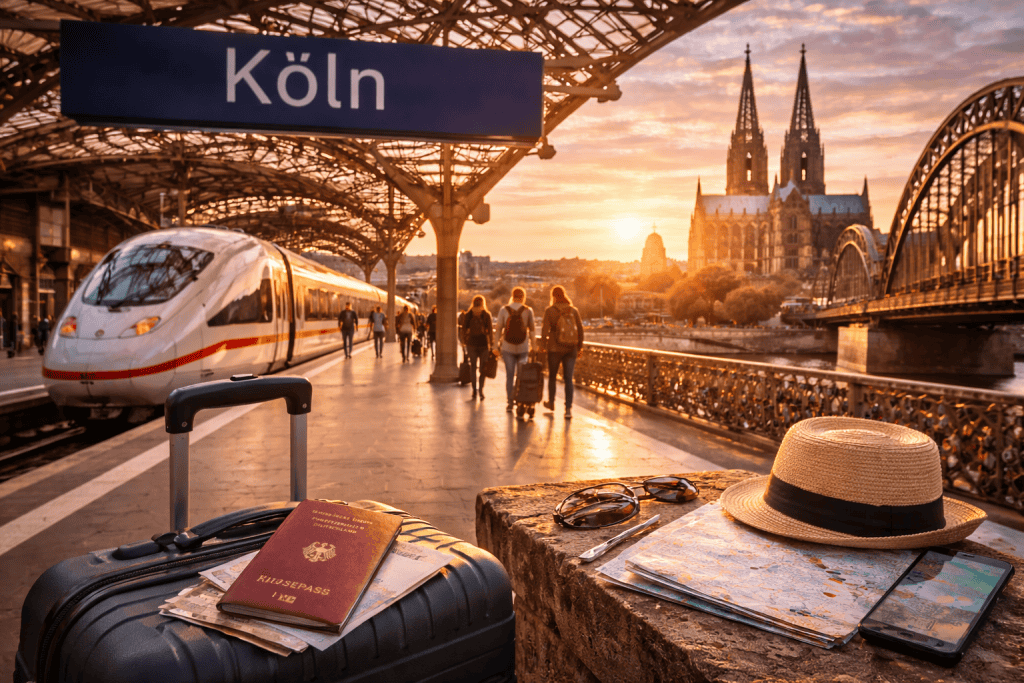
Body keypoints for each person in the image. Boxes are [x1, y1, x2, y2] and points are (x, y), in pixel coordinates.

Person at [540, 285, 584, 419]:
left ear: (553, 296)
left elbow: (544, 330)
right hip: (571, 349)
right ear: (564, 295)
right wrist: (579, 347)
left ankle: (552, 403)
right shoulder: (573, 310)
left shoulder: (550, 311)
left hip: (554, 348)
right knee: (568, 379)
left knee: (552, 376)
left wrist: (543, 346)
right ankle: (568, 409)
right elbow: (580, 330)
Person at [494, 287, 535, 413]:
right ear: (523, 296)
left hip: (507, 347)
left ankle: (510, 402)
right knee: (522, 375)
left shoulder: (504, 310)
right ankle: (521, 399)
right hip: (523, 347)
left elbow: (498, 329)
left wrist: (495, 346)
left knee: (509, 376)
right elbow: (532, 330)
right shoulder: (528, 310)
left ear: (512, 296)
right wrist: (534, 346)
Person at [460, 295, 493, 399]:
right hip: (483, 345)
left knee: (473, 368)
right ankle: (481, 390)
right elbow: (490, 331)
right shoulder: (486, 314)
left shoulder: (468, 314)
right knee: (483, 369)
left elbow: (463, 330)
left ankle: (474, 390)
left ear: (473, 303)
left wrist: (464, 343)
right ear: (483, 303)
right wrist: (491, 345)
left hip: (471, 344)